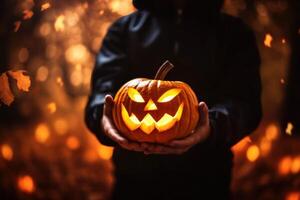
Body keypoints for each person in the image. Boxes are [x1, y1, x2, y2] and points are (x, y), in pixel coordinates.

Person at [85, 0, 262, 199]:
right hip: (134, 181)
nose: (151, 108)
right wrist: (103, 118)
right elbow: (102, 92)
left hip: (206, 181)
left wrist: (211, 127)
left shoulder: (234, 33)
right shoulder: (123, 30)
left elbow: (245, 103)